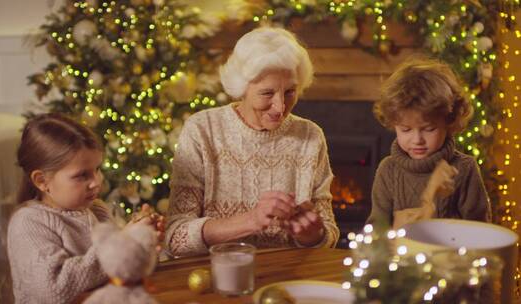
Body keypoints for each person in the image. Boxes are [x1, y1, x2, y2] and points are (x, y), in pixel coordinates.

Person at [165, 26, 339, 257]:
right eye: (267, 93)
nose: (280, 107)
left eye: (290, 92)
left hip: (286, 275)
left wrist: (312, 235)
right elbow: (176, 238)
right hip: (216, 274)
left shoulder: (310, 136)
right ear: (241, 88)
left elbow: (327, 237)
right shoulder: (202, 130)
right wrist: (251, 220)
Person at [7, 113, 163, 304]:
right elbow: (53, 288)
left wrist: (141, 243)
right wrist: (123, 243)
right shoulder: (27, 223)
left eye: (97, 169)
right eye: (82, 175)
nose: (96, 182)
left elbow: (118, 270)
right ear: (42, 181)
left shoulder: (97, 209)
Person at [367, 58, 491, 229]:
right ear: (393, 124)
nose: (417, 140)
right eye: (405, 130)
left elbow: (480, 230)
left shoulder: (464, 169)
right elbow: (376, 230)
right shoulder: (388, 170)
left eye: (429, 129)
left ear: (449, 122)